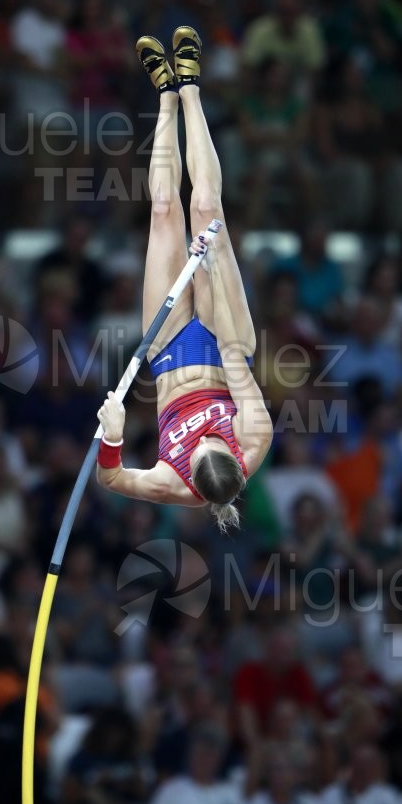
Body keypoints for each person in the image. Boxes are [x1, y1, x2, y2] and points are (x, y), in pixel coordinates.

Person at [96, 28, 272, 532]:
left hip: (169, 349)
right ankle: (192, 86)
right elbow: (236, 360)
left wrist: (113, 434)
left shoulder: (172, 484)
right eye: (217, 441)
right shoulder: (254, 437)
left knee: (164, 210)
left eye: (200, 448)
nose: (204, 440)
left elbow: (112, 479)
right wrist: (209, 267)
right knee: (206, 210)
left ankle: (166, 97)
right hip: (224, 344)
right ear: (237, 459)